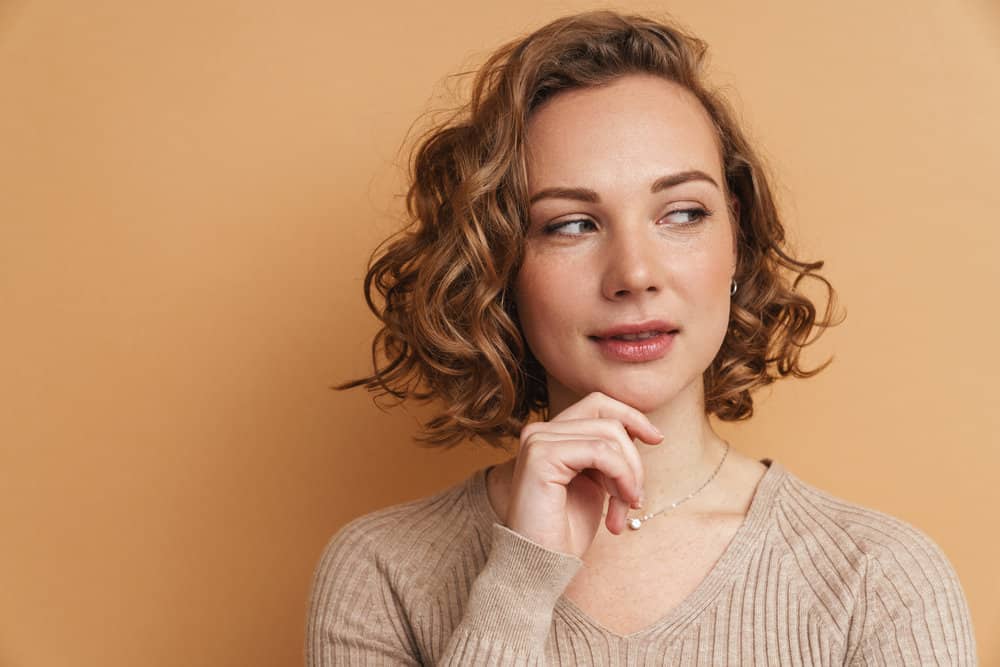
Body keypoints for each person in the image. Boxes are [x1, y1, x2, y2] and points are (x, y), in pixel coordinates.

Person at [305, 10, 977, 666]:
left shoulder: (880, 580)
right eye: (570, 224)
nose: (634, 273)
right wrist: (517, 584)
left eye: (681, 213)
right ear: (501, 263)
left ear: (736, 239)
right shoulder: (383, 572)